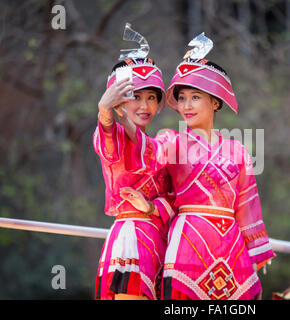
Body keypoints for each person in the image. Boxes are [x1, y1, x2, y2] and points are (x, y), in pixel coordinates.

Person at [122, 34, 275, 300]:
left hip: (232, 245)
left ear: (216, 102)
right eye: (181, 98)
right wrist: (123, 116)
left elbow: (247, 206)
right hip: (188, 241)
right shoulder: (171, 141)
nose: (186, 105)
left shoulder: (238, 150)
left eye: (195, 97)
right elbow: (145, 151)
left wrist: (257, 250)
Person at [93, 49, 176, 300]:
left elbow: (175, 195)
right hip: (132, 238)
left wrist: (151, 207)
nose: (144, 105)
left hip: (161, 241)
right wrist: (105, 113)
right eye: (135, 97)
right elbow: (108, 142)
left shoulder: (163, 141)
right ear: (120, 101)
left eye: (151, 98)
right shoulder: (113, 137)